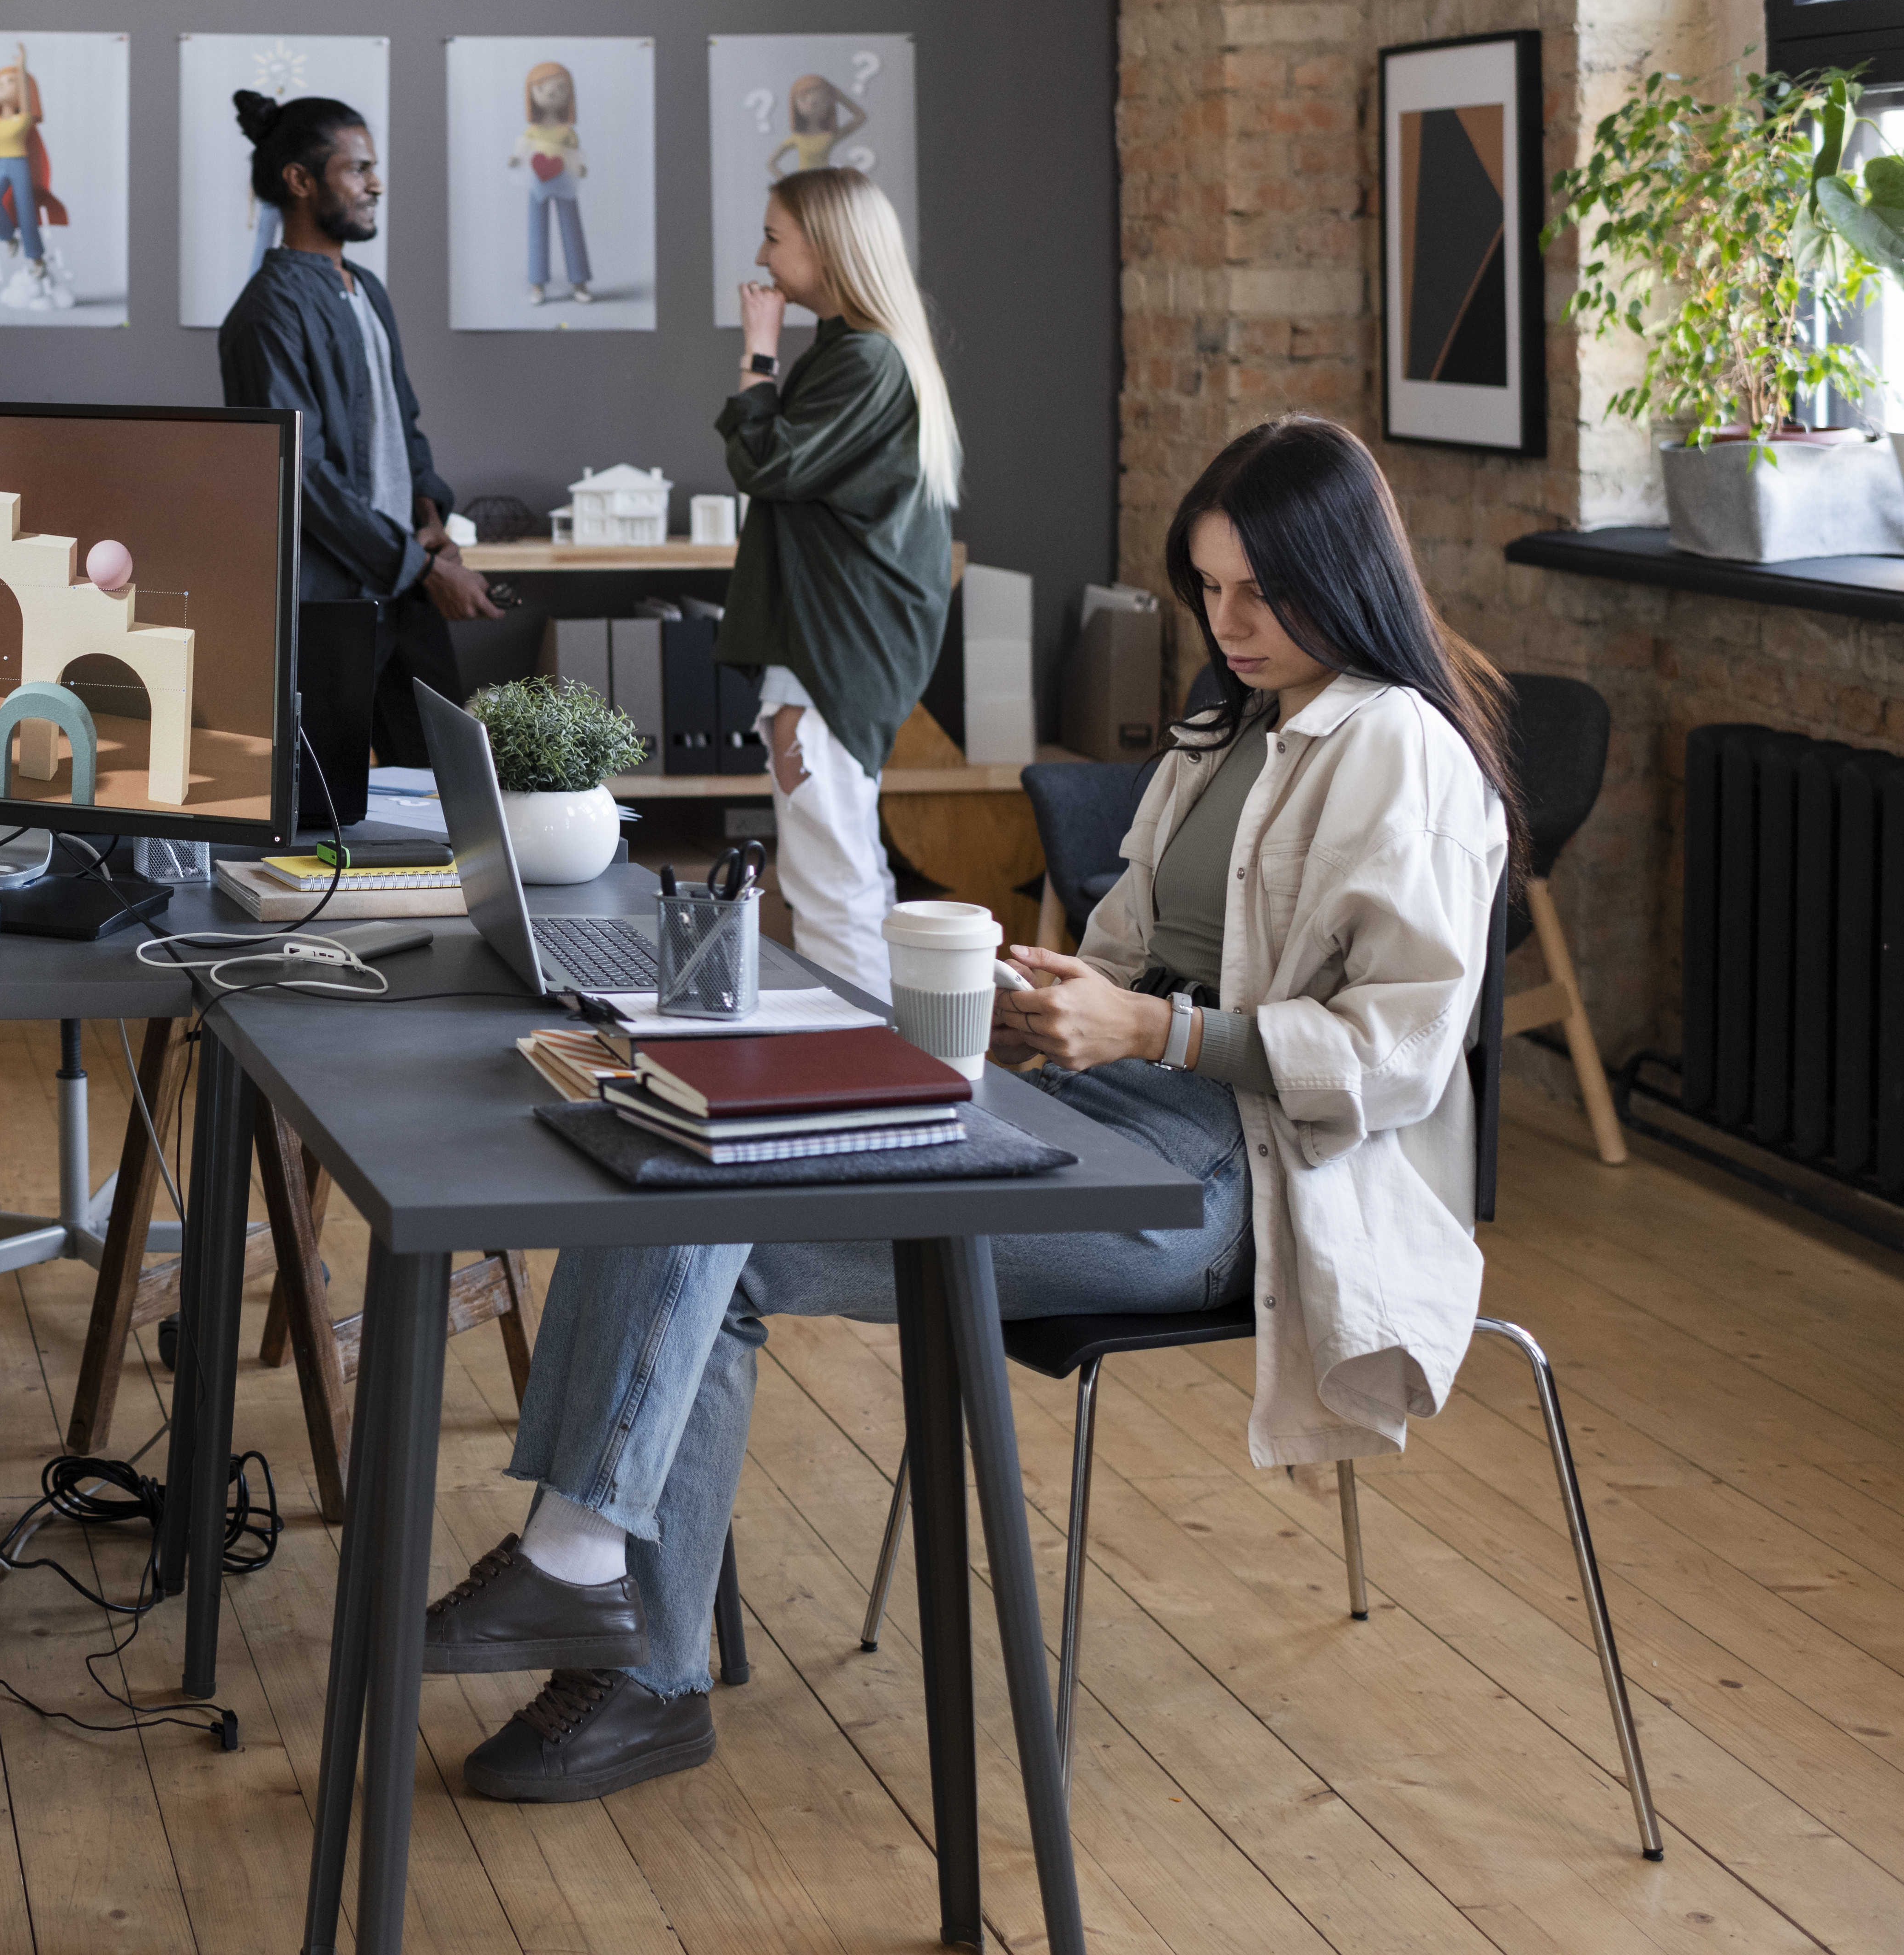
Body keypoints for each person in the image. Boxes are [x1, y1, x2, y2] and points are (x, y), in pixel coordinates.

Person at [422, 414, 1513, 1806]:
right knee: (691, 1172)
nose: (1226, 620)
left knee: (719, 1202)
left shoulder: (1399, 751)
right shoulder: (1232, 720)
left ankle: (584, 1588)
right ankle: (636, 1660)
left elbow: (1399, 1057)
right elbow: (1124, 949)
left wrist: (1152, 1024)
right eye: (1209, 585)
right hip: (1099, 1098)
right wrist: (1037, 994)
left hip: (1226, 1188)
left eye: (1259, 590)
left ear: (1341, 573)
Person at [716, 165, 962, 992]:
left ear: (825, 247)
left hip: (837, 640)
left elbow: (767, 462)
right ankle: (885, 1057)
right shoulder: (852, 351)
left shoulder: (866, 360)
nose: (761, 252)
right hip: (827, 634)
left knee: (831, 879)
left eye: (775, 236)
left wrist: (757, 351)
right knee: (833, 863)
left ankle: (866, 1072)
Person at [218, 90, 498, 766]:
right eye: (357, 169)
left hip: (407, 584)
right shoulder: (266, 314)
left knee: (443, 786)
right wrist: (421, 563)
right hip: (332, 601)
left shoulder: (367, 289)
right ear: (300, 180)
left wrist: (430, 517)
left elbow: (402, 424)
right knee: (321, 796)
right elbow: (303, 475)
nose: (375, 184)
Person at [0, 43, 70, 310]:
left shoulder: (24, 120)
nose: (1, 87)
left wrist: (24, 67)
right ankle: (8, 238)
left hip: (21, 168)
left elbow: (26, 99)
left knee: (27, 215)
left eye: (10, 82)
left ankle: (37, 260)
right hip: (3, 166)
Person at [514, 61, 594, 306]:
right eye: (543, 89)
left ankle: (579, 282)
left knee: (572, 229)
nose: (552, 95)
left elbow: (576, 155)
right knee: (537, 232)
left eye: (560, 89)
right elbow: (522, 150)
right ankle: (538, 284)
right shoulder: (532, 132)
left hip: (565, 183)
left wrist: (580, 167)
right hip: (538, 184)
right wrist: (516, 158)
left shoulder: (568, 133)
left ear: (569, 94)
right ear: (531, 94)